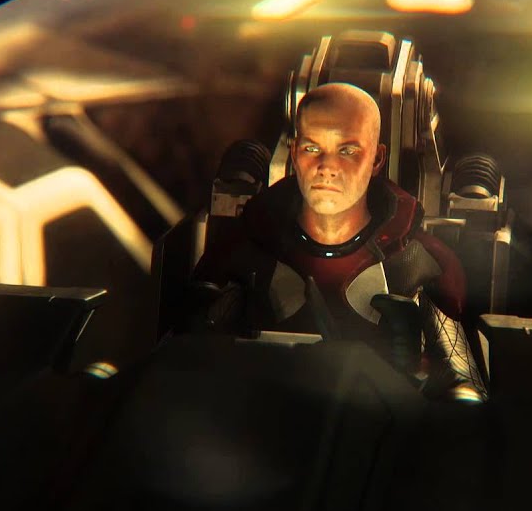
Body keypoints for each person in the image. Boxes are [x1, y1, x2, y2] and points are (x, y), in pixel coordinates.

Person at [185, 82, 486, 402]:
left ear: (377, 159)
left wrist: (416, 376)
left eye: (347, 151)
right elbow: (188, 366)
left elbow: (465, 391)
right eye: (312, 148)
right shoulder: (247, 253)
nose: (327, 167)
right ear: (294, 151)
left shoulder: (417, 264)